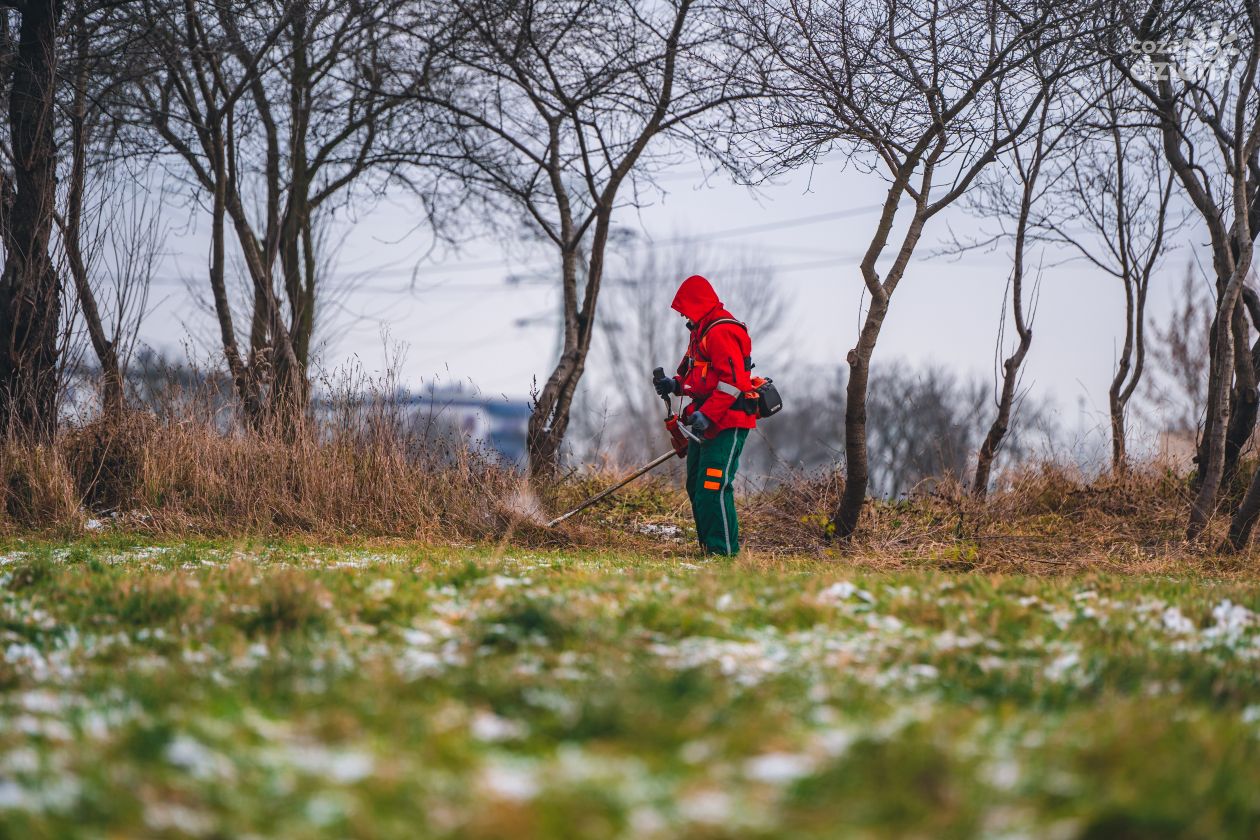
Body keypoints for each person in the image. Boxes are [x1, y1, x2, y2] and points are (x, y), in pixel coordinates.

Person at [653, 275, 757, 556]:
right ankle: (708, 549)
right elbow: (694, 373)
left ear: (697, 303)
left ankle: (723, 554)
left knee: (713, 485)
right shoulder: (700, 330)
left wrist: (707, 415)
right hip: (705, 421)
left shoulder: (721, 331)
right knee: (696, 485)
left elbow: (733, 382)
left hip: (727, 421)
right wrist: (674, 384)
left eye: (684, 308)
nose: (683, 314)